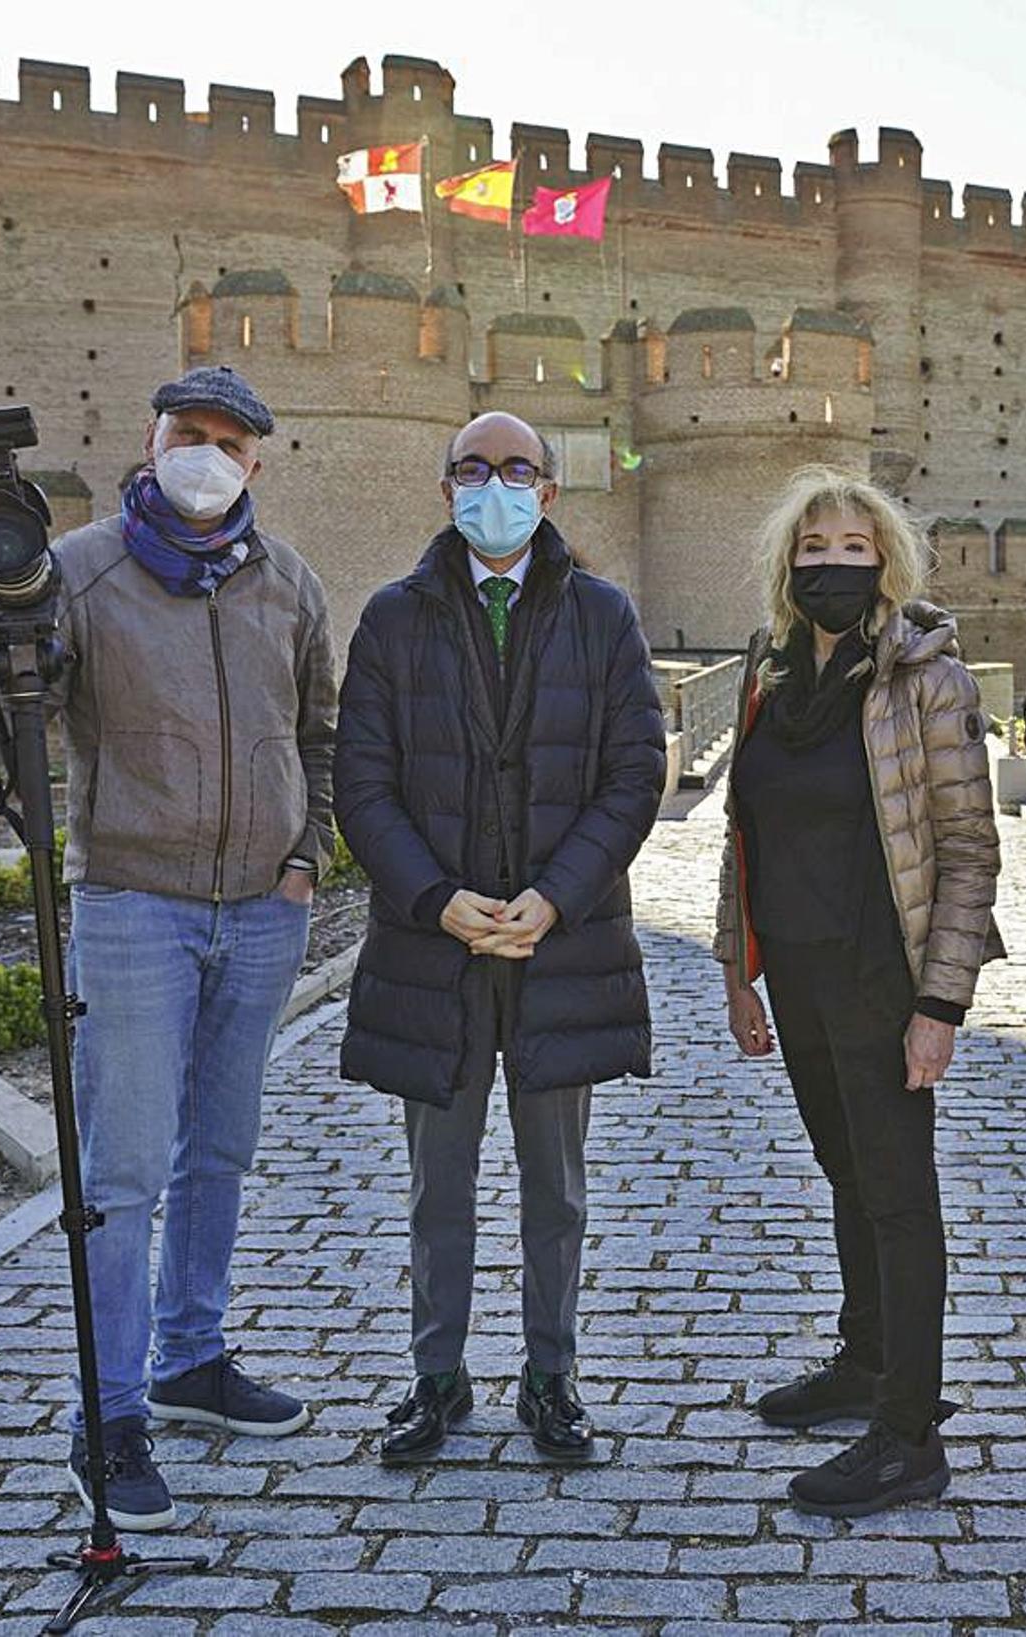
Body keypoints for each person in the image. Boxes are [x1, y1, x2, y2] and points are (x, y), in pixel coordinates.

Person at [0, 366, 337, 1530]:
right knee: (127, 1173)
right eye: (188, 433)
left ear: (256, 462)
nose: (207, 453)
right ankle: (114, 1414)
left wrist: (310, 852)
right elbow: (0, 736)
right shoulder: (80, 569)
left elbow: (324, 728)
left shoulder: (287, 581)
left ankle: (193, 1357)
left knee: (220, 1152)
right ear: (154, 440)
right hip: (134, 904)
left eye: (230, 440)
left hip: (261, 909)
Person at [334, 410, 666, 1463]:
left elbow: (633, 773)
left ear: (550, 492)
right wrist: (436, 898)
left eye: (517, 469)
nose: (496, 485)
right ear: (445, 489)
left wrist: (556, 895)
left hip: (555, 945)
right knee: (441, 1185)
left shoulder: (604, 616)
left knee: (554, 1188)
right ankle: (437, 1376)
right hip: (435, 949)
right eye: (474, 468)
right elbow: (361, 781)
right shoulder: (393, 619)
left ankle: (551, 1374)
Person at [714, 465, 1004, 1518]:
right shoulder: (770, 670)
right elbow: (742, 832)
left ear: (887, 559)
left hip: (884, 974)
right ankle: (866, 1359)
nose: (832, 563)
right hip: (794, 967)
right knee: (844, 1165)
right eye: (814, 547)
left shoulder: (926, 675)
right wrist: (737, 968)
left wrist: (942, 1006)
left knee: (897, 1190)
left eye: (853, 547)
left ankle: (909, 1431)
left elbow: (970, 849)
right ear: (787, 562)